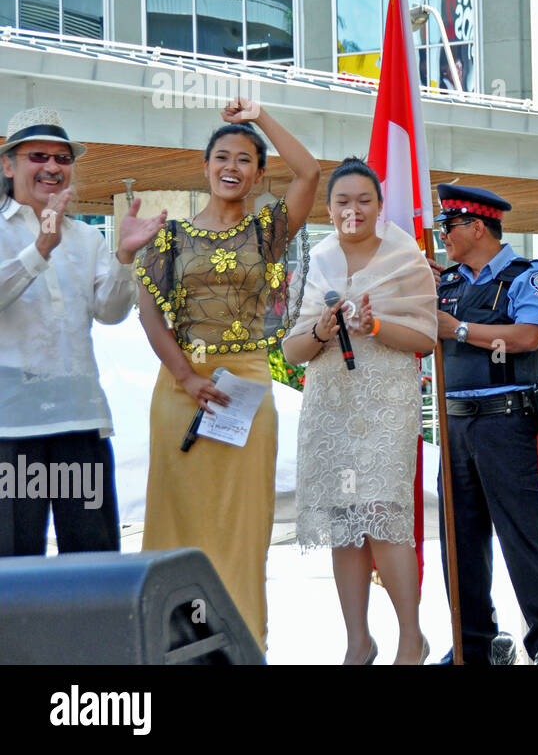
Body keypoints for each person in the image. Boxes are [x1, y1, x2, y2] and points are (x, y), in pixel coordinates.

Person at [136, 99, 319, 652]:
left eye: (245, 158)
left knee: (244, 526)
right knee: (176, 521)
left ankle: (240, 648)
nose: (231, 166)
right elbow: (149, 312)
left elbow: (310, 171)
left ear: (260, 173)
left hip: (246, 387)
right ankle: (171, 649)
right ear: (206, 165)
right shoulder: (166, 237)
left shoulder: (269, 231)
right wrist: (186, 378)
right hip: (181, 388)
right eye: (221, 156)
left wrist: (259, 116)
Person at [283, 157, 437, 665]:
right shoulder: (318, 259)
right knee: (345, 520)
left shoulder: (405, 257)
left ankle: (410, 637)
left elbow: (425, 337)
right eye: (343, 201)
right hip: (330, 401)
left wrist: (374, 327)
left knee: (382, 514)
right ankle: (358, 642)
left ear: (378, 207)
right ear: (329, 209)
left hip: (386, 403)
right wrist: (322, 332)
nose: (353, 209)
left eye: (363, 200)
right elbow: (291, 351)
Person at [0, 107, 164, 557]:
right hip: (12, 427)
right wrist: (39, 249)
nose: (52, 167)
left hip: (81, 421)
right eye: (38, 156)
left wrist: (126, 256)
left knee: (93, 555)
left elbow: (109, 313)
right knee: (14, 559)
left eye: (62, 158)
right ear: (8, 165)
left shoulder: (87, 238)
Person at [432, 183, 538, 665]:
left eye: (448, 227)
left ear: (476, 227)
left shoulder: (528, 278)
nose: (442, 235)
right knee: (460, 541)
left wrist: (461, 330)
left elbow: (527, 337)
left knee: (525, 538)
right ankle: (472, 644)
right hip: (454, 426)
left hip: (507, 422)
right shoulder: (446, 283)